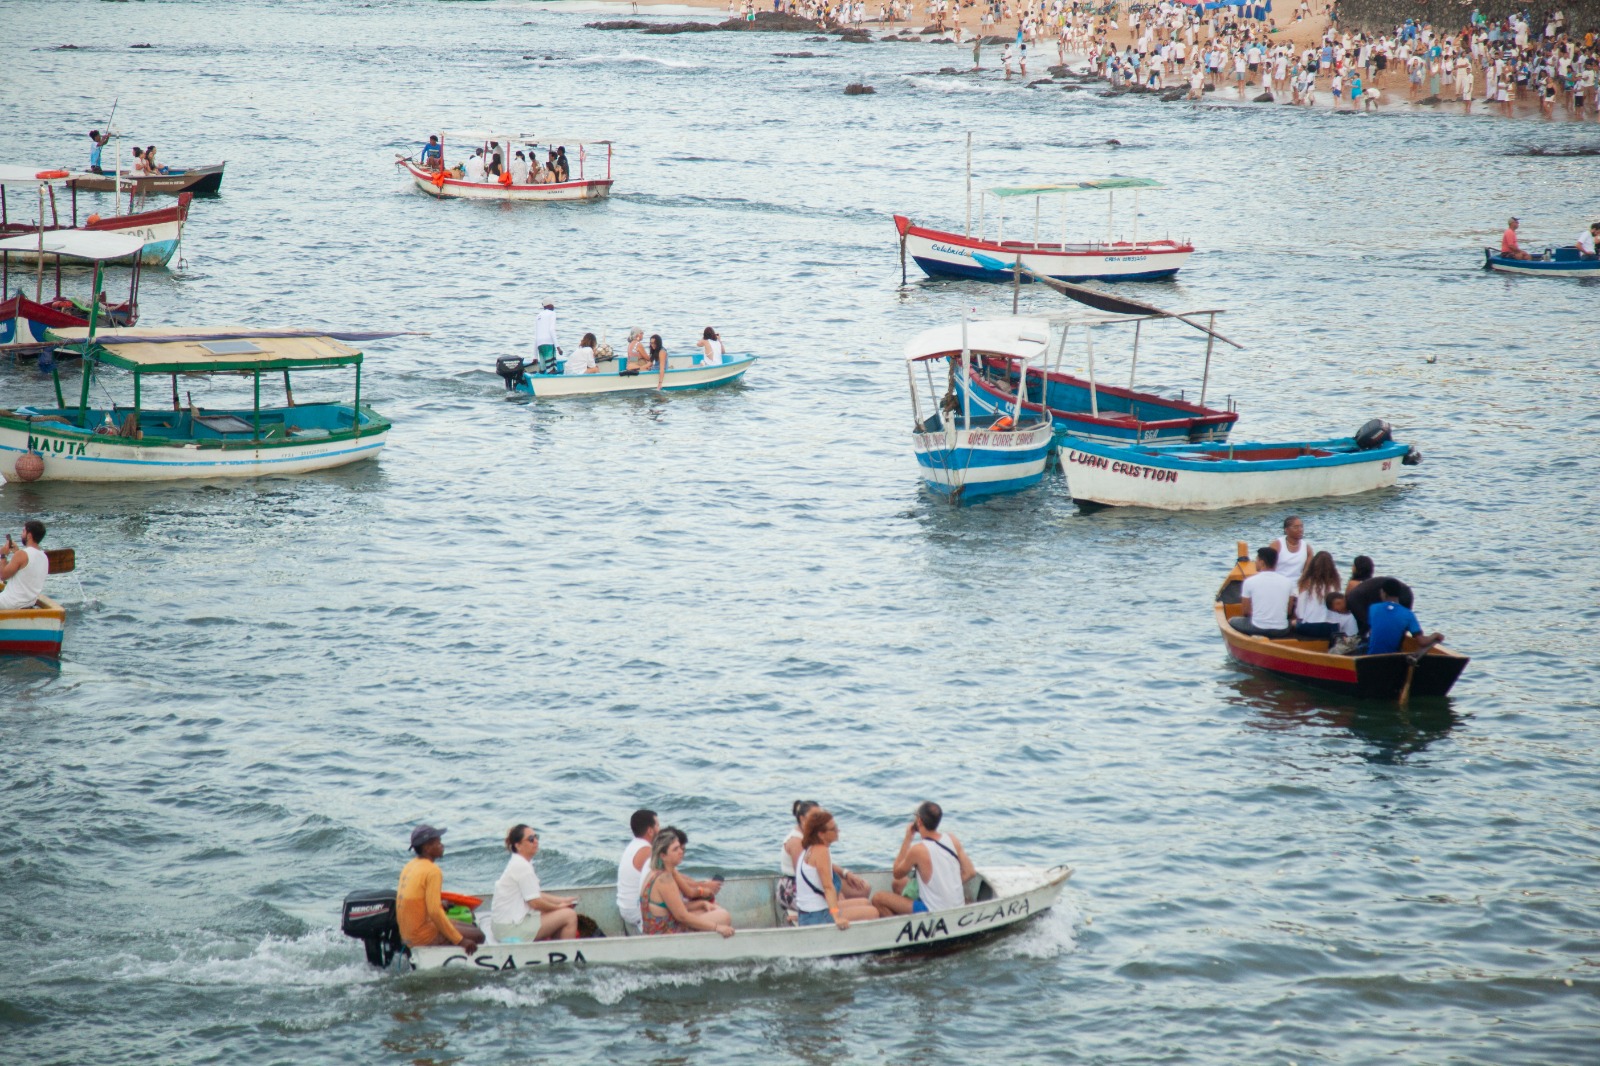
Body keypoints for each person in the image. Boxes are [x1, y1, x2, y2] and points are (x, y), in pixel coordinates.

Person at [871, 801, 976, 917]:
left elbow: (897, 872)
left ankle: (902, 929)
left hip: (933, 910)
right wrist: (946, 886)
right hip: (956, 905)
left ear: (919, 821)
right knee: (898, 884)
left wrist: (908, 838)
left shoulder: (918, 850)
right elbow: (970, 872)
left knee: (878, 898)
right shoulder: (952, 839)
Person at [396, 825, 483, 954]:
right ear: (427, 847)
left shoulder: (410, 865)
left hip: (409, 934)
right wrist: (460, 941)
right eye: (438, 842)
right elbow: (435, 912)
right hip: (422, 937)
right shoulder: (433, 871)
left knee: (471, 927)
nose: (442, 845)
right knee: (479, 935)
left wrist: (440, 904)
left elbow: (415, 900)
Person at [794, 808, 881, 929]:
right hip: (817, 916)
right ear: (821, 834)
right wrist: (836, 917)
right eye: (833, 829)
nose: (838, 830)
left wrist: (845, 873)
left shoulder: (810, 848)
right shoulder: (821, 851)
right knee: (873, 913)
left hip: (809, 914)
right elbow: (828, 887)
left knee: (865, 902)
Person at [491, 824, 579, 942]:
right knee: (570, 915)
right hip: (510, 930)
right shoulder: (522, 867)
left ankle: (555, 947)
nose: (536, 841)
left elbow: (535, 894)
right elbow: (535, 903)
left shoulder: (520, 862)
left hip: (504, 926)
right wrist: (557, 907)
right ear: (518, 845)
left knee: (559, 911)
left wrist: (563, 900)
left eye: (536, 837)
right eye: (531, 839)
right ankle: (566, 954)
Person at [640, 829, 734, 937]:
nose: (681, 852)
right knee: (724, 916)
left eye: (680, 847)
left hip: (659, 927)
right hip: (665, 933)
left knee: (713, 909)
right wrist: (717, 927)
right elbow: (682, 916)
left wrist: (701, 904)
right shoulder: (664, 880)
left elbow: (676, 907)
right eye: (675, 849)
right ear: (663, 856)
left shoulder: (655, 872)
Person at [1229, 545, 1295, 639]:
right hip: (1282, 630)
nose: (1255, 562)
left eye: (1256, 559)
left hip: (1258, 627)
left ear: (1262, 562)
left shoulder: (1249, 582)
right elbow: (1288, 611)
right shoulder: (1288, 582)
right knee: (1291, 622)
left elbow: (1246, 612)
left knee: (1232, 621)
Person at [1367, 578, 1444, 655]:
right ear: (1399, 595)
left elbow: (1371, 632)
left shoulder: (1373, 608)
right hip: (1390, 659)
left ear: (1384, 593)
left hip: (1371, 657)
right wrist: (1435, 635)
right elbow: (1422, 642)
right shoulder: (1408, 614)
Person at [616, 809, 658, 935]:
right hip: (636, 912)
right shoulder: (647, 851)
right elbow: (668, 878)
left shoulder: (633, 845)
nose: (660, 830)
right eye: (658, 825)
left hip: (626, 908)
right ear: (650, 831)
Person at [778, 799, 820, 919]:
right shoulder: (797, 842)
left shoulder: (809, 836)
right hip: (794, 890)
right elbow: (804, 877)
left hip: (805, 885)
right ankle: (802, 916)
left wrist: (845, 874)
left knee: (862, 889)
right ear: (802, 819)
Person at [1290, 550, 1344, 641]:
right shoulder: (1335, 584)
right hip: (1333, 628)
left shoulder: (1306, 583)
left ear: (1313, 566)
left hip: (1311, 627)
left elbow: (1300, 613)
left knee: (1290, 624)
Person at [1345, 572, 1413, 637]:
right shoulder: (1356, 598)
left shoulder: (1353, 601)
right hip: (1404, 591)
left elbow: (1367, 622)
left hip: (1398, 592)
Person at [0, 521, 48, 610]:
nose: (21, 534)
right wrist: (17, 553)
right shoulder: (44, 556)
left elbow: (3, 576)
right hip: (28, 603)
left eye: (23, 531)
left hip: (10, 602)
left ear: (29, 535)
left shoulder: (22, 554)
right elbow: (24, 571)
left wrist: (3, 555)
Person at [1270, 516, 1311, 584]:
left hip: (1298, 586)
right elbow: (1268, 568)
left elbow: (1306, 573)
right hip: (1279, 584)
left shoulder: (1307, 548)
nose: (1300, 529)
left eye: (1301, 526)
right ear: (1286, 530)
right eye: (1296, 527)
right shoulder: (1276, 545)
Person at [534, 302, 558, 372]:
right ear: (549, 305)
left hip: (540, 344)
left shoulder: (538, 316)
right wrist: (558, 346)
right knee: (552, 368)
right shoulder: (552, 313)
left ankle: (541, 379)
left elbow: (536, 336)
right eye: (552, 304)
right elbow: (552, 330)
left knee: (543, 367)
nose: (553, 306)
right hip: (549, 343)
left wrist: (535, 356)